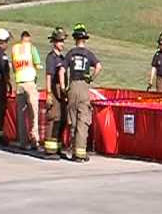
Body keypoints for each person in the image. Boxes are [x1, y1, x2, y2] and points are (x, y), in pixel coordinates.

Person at [63, 23, 102, 162]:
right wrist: (91, 77)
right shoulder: (88, 54)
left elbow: (62, 70)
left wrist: (63, 87)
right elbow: (99, 66)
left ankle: (74, 152)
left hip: (72, 86)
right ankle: (81, 153)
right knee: (83, 120)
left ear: (75, 39)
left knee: (72, 120)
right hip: (84, 86)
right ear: (84, 39)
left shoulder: (70, 53)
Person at [11, 31, 42, 150]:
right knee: (33, 112)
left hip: (19, 84)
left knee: (21, 114)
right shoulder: (31, 48)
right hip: (30, 83)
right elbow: (38, 65)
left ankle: (23, 142)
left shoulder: (14, 49)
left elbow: (14, 68)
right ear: (28, 39)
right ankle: (34, 140)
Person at [44, 27, 68, 156]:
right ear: (54, 42)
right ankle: (50, 148)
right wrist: (48, 94)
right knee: (53, 118)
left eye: (63, 41)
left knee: (61, 119)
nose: (62, 44)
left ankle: (57, 147)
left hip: (61, 92)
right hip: (53, 90)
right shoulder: (51, 58)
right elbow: (48, 76)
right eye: (59, 41)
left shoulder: (62, 58)